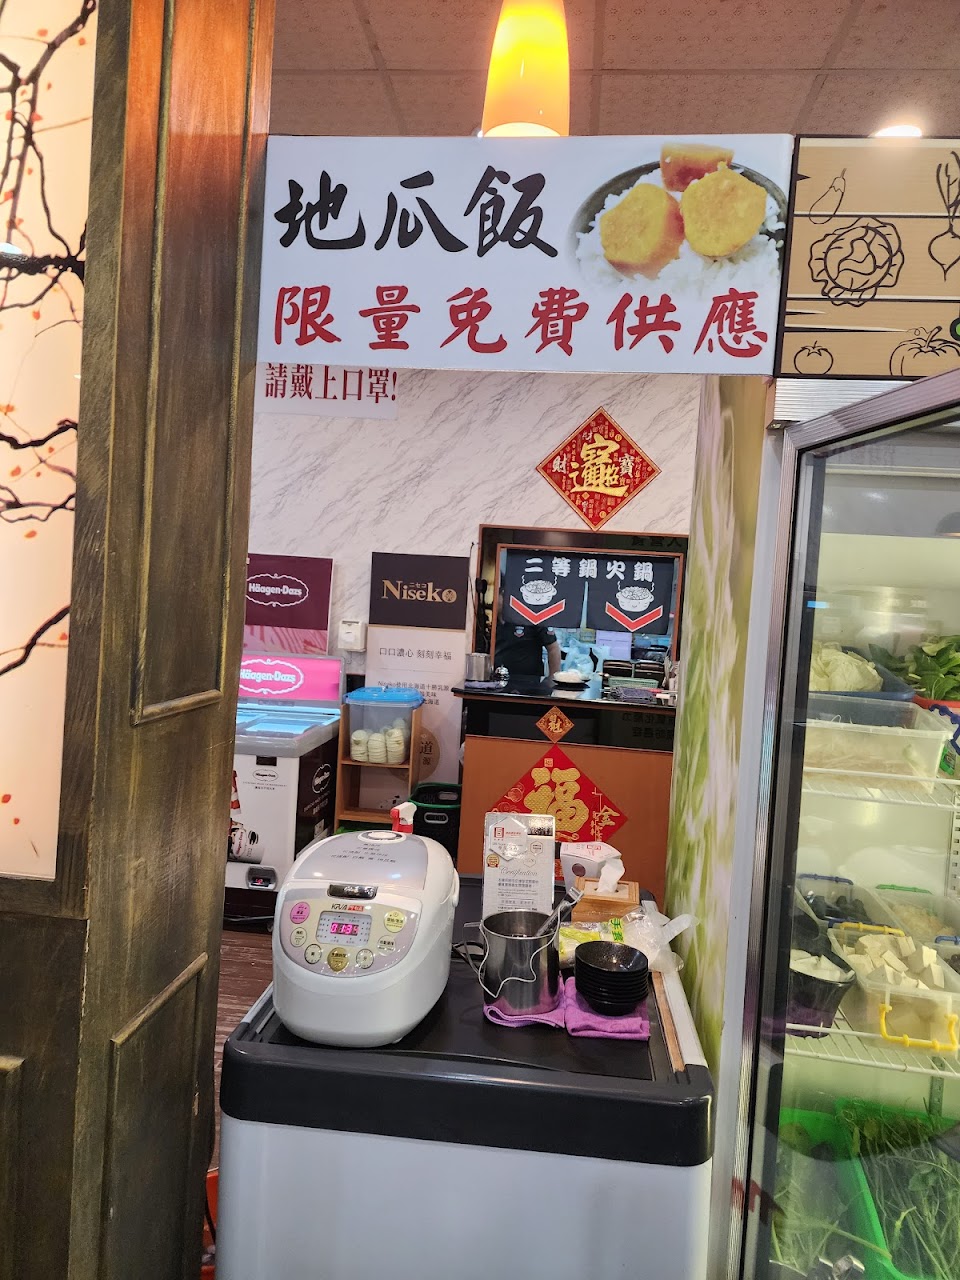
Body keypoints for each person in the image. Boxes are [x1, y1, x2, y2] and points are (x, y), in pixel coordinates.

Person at [494, 619, 561, 677]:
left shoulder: (532, 616)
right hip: (497, 679)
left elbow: (553, 649)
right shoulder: (491, 619)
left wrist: (553, 680)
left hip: (529, 681)